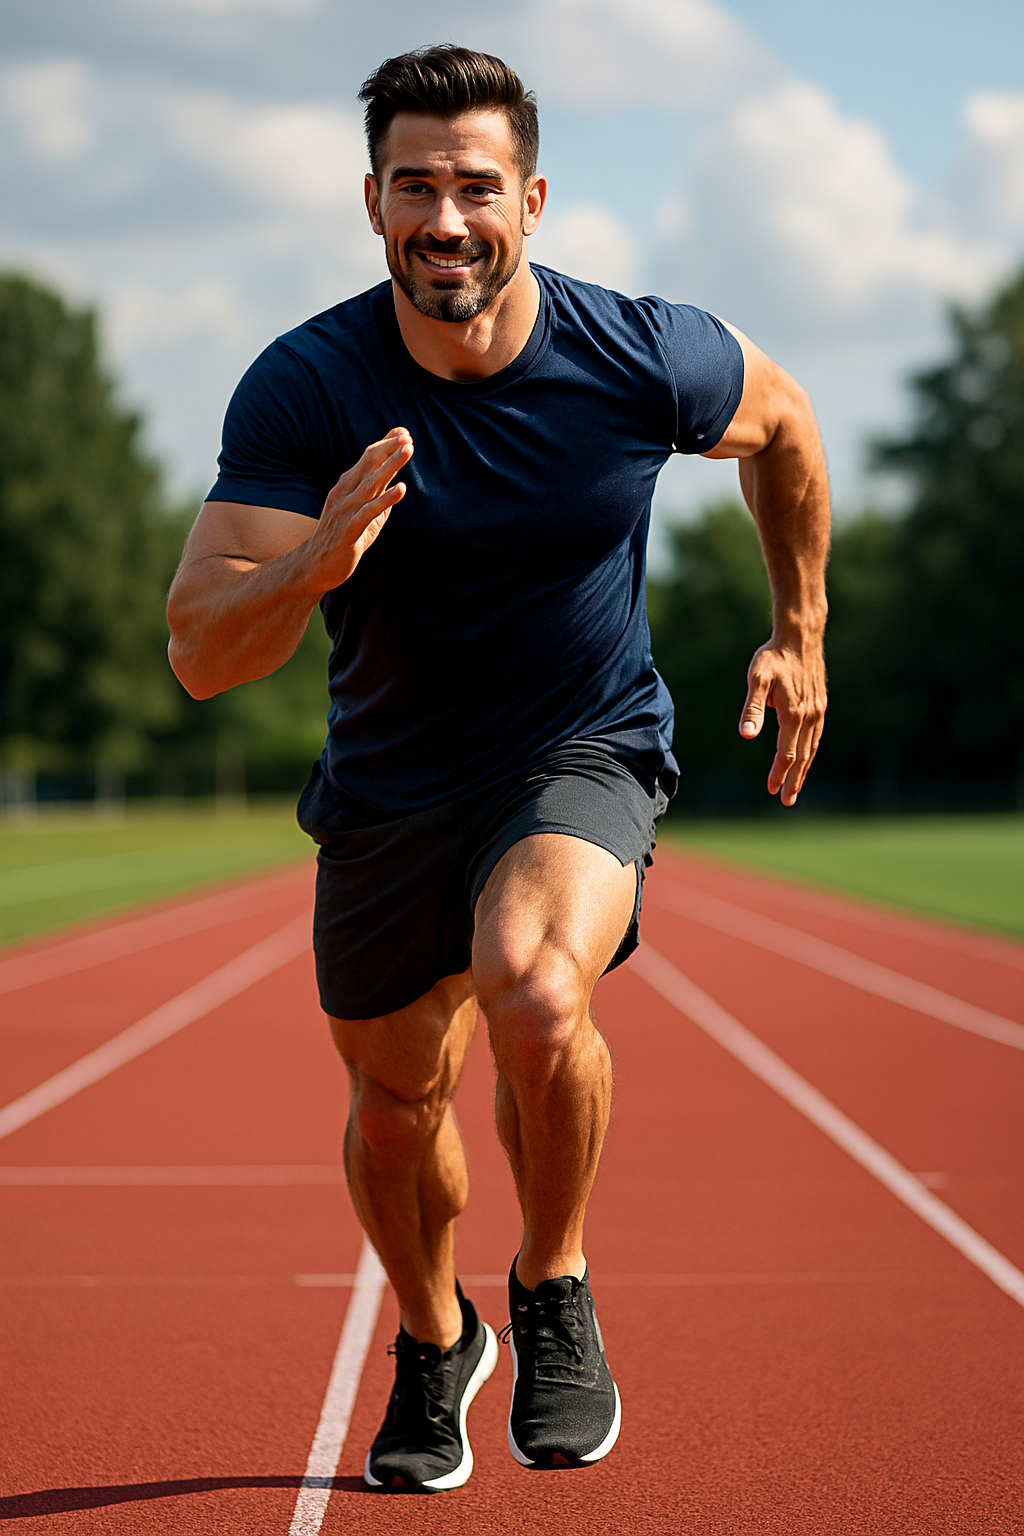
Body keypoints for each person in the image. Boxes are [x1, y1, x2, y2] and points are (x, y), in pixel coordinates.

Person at [166, 44, 829, 1491]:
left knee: (536, 986)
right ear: (373, 202)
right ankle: (434, 1338)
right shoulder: (304, 386)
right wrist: (320, 562)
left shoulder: (639, 354)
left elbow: (784, 428)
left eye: (476, 186)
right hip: (391, 785)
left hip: (579, 746)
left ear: (530, 201)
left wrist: (802, 629)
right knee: (397, 1106)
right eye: (417, 186)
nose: (446, 218)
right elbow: (200, 650)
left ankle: (556, 1285)